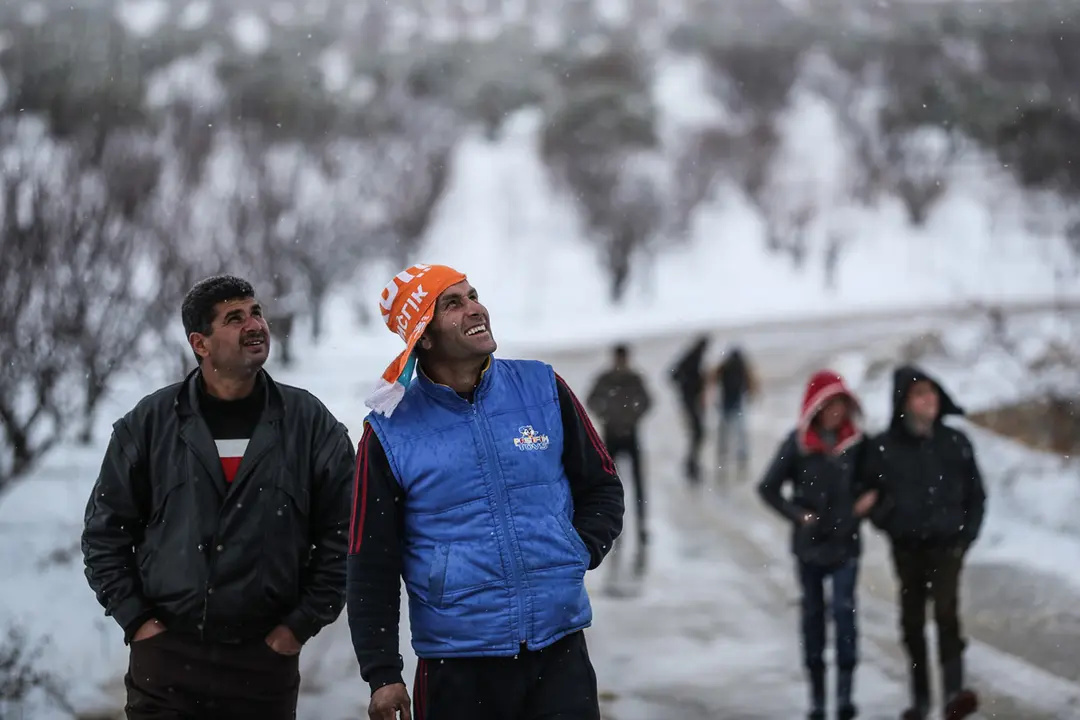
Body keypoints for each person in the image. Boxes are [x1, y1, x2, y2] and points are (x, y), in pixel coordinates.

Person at [347, 264, 625, 720]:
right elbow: (369, 559)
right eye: (452, 304)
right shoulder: (389, 432)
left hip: (559, 652)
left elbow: (602, 486)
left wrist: (576, 549)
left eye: (473, 295)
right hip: (457, 667)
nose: (476, 308)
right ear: (426, 336)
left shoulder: (542, 387)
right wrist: (383, 673)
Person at [81, 275, 355, 720]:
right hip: (167, 664)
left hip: (263, 667)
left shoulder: (308, 423)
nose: (255, 325)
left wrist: (296, 627)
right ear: (200, 343)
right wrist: (139, 622)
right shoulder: (149, 424)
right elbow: (104, 533)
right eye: (234, 318)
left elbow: (347, 532)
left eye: (256, 312)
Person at [757, 370, 878, 720]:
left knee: (844, 611)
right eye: (829, 404)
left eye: (841, 403)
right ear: (815, 406)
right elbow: (767, 488)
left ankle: (844, 697)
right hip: (808, 547)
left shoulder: (858, 444)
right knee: (813, 617)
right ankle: (817, 699)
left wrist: (865, 504)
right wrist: (798, 515)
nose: (836, 411)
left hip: (846, 545)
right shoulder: (797, 444)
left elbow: (878, 482)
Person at [867, 366, 985, 720]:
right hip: (908, 548)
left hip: (949, 545)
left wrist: (966, 535)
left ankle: (953, 693)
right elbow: (868, 496)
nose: (929, 399)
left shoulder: (955, 442)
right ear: (904, 402)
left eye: (932, 392)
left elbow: (977, 494)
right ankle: (920, 699)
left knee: (946, 613)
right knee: (912, 621)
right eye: (920, 394)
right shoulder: (884, 447)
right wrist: (890, 522)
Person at [586, 343, 653, 576]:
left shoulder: (634, 378)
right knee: (610, 486)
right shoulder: (605, 378)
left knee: (638, 485)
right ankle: (613, 528)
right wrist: (608, 418)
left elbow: (647, 401)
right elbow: (592, 400)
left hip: (630, 435)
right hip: (611, 437)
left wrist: (631, 419)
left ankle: (642, 527)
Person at [669, 335, 709, 483]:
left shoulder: (694, 357)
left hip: (693, 401)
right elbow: (672, 375)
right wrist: (688, 388)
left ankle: (692, 464)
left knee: (698, 434)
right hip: (690, 402)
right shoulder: (692, 358)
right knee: (698, 433)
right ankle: (691, 465)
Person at [711, 345, 757, 475]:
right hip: (734, 406)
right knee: (739, 437)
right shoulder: (742, 369)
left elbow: (712, 379)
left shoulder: (725, 367)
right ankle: (738, 463)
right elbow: (752, 385)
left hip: (728, 405)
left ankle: (725, 463)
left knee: (726, 437)